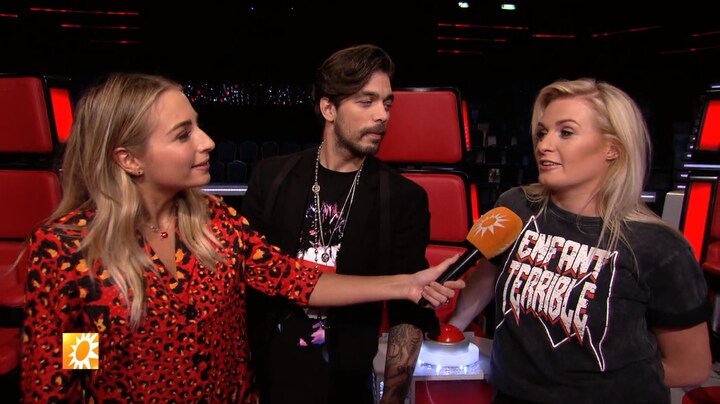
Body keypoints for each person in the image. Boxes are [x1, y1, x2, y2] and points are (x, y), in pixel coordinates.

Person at [19, 72, 464, 403]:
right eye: (183, 134)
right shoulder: (66, 250)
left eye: (198, 125)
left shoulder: (215, 221)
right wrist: (92, 366)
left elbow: (296, 279)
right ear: (128, 159)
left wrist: (406, 284)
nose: (207, 141)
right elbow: (72, 362)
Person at [448, 78, 712, 403]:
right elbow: (484, 283)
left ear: (612, 148)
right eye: (542, 132)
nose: (544, 145)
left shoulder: (659, 247)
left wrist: (584, 385)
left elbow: (691, 367)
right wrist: (448, 333)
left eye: (566, 132)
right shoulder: (516, 206)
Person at [241, 44, 438, 404]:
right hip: (267, 384)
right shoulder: (272, 178)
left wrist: (393, 399)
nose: (382, 115)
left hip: (347, 386)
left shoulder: (403, 198)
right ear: (328, 108)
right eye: (366, 102)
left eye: (387, 103)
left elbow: (406, 311)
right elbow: (247, 284)